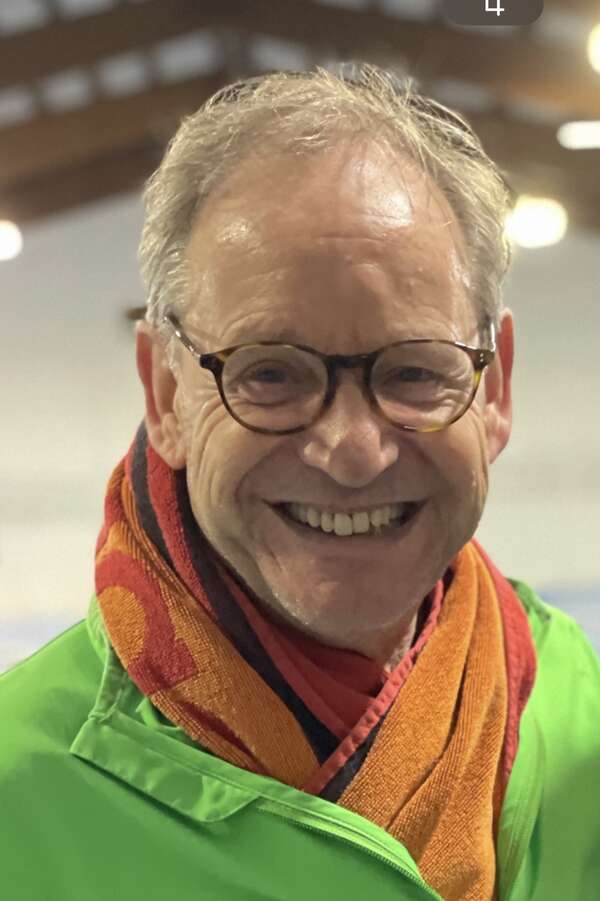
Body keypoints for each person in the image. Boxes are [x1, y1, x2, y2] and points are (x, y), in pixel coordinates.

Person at [1, 63, 598, 901]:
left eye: (416, 371)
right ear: (166, 392)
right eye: (270, 373)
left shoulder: (578, 714)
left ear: (494, 389)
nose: (352, 451)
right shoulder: (21, 789)